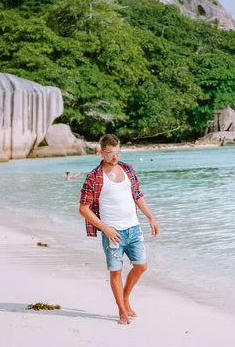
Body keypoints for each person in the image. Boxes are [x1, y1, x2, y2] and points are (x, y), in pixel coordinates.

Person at [79, 134, 159, 325]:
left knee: (141, 266)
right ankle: (122, 311)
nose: (115, 157)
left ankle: (124, 298)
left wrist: (150, 217)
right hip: (113, 233)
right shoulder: (94, 177)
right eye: (111, 153)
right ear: (102, 152)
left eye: (118, 152)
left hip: (133, 228)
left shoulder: (128, 169)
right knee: (116, 272)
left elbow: (137, 195)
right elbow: (83, 209)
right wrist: (105, 228)